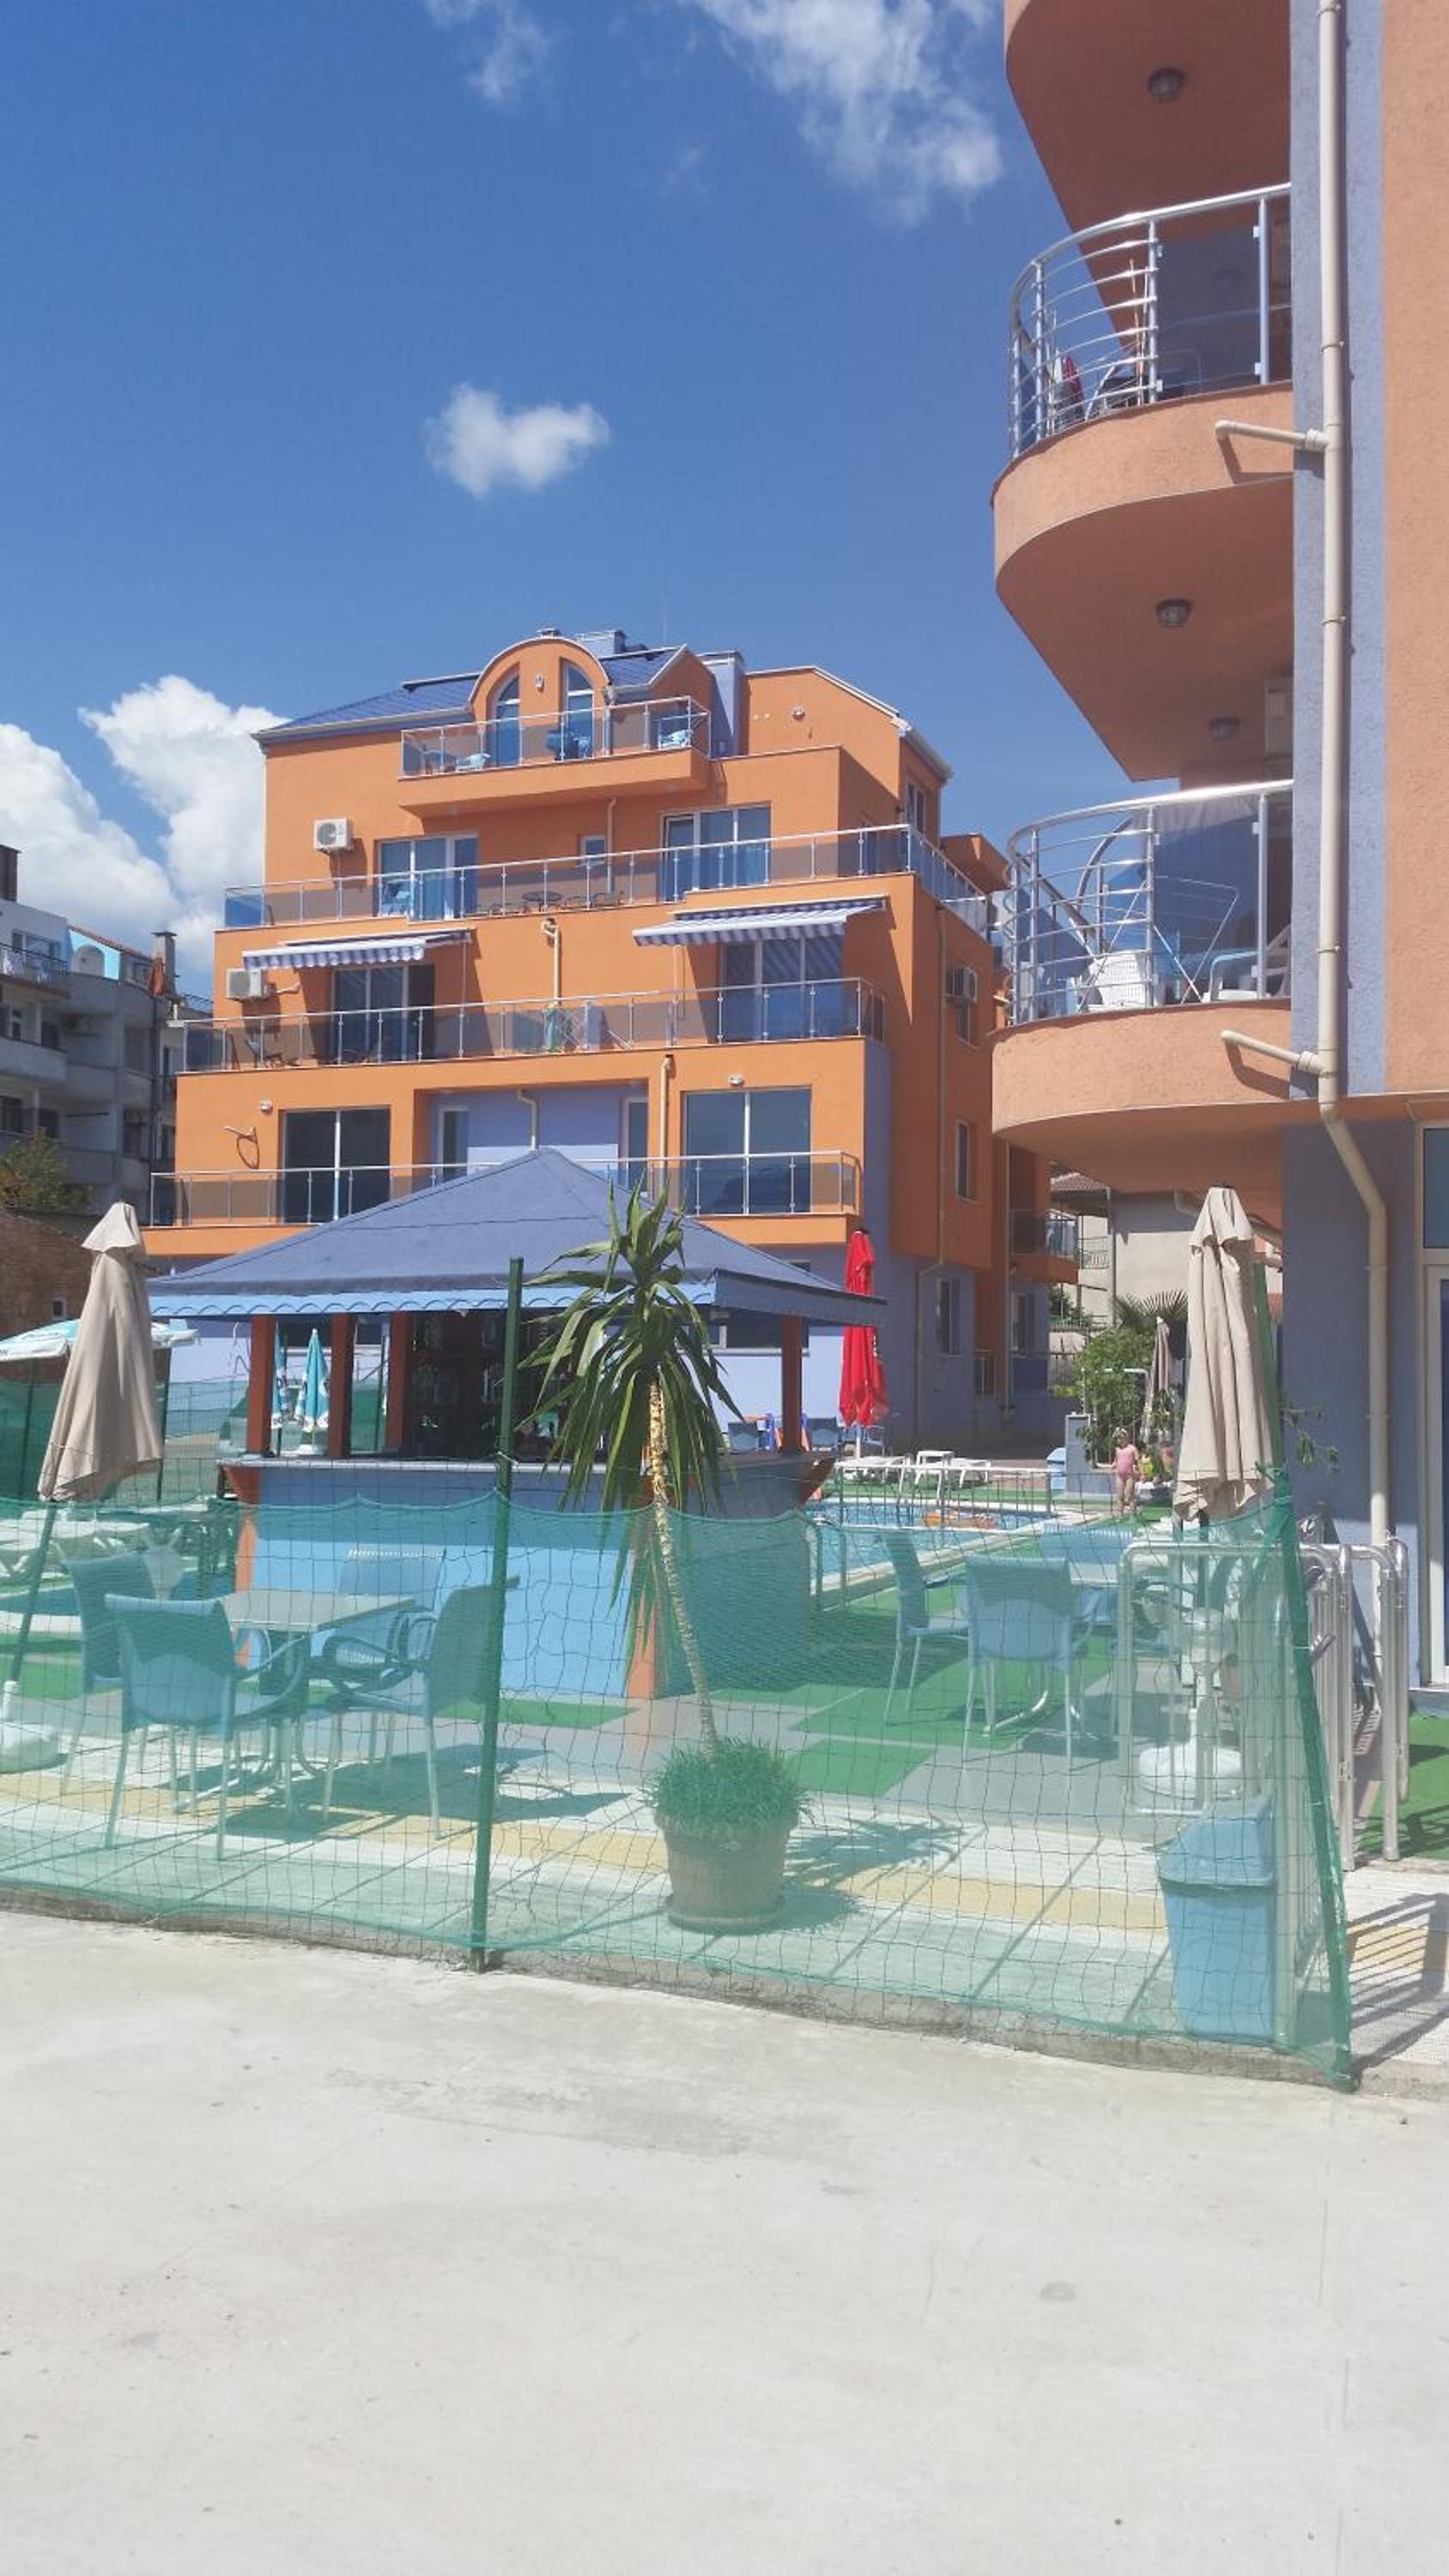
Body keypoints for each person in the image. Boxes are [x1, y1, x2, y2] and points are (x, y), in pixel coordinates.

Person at [1112, 1427, 1140, 1516]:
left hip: (1129, 1476)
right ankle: (1120, 1515)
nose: (1119, 1440)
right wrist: (1113, 1465)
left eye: (1121, 1438)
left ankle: (1132, 1514)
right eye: (1118, 1438)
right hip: (1119, 1475)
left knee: (1129, 1496)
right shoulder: (1117, 1449)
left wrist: (1138, 1470)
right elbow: (1116, 1460)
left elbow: (1137, 1461)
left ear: (1126, 1438)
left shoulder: (1132, 1449)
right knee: (1120, 1496)